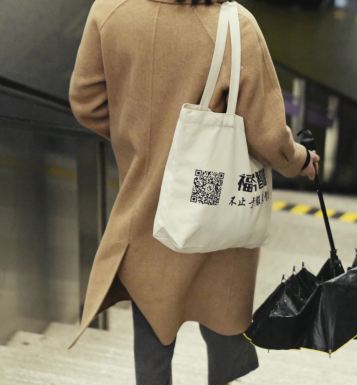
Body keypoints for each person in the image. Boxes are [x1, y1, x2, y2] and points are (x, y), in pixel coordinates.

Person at [68, 0, 319, 384]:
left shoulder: (111, 9)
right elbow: (268, 138)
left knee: (152, 335)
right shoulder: (236, 25)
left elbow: (87, 101)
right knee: (223, 327)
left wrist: (141, 146)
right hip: (215, 208)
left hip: (146, 207)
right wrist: (299, 160)